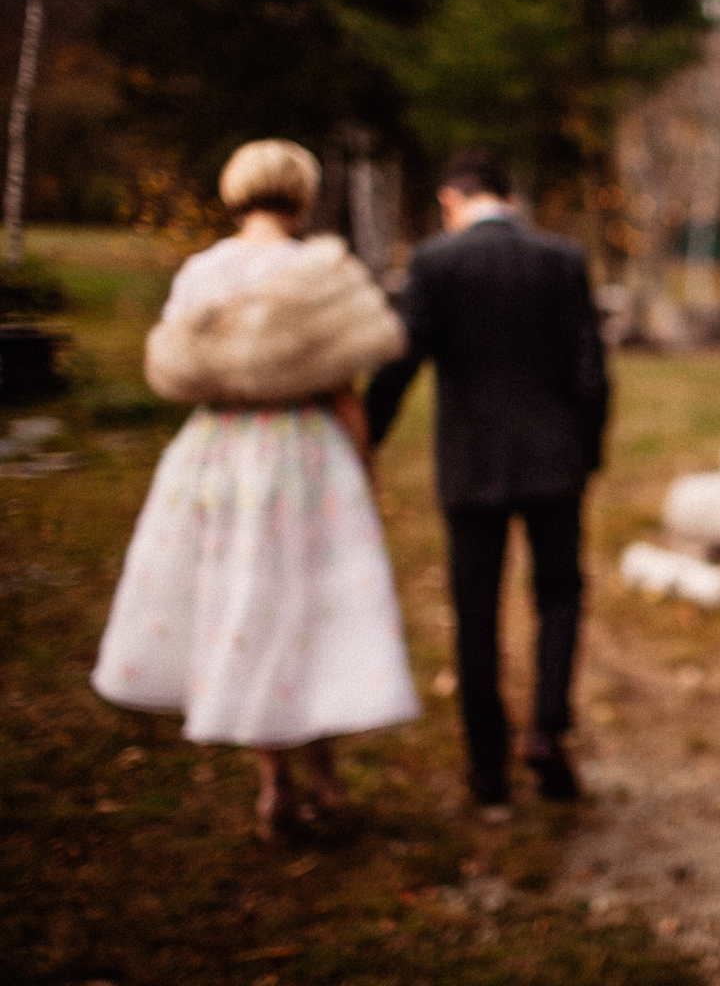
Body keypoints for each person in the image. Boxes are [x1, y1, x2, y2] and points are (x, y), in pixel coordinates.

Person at [93, 139, 420, 842]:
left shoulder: (201, 272)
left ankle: (274, 782)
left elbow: (181, 366)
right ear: (300, 196)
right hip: (301, 454)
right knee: (309, 603)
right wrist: (364, 471)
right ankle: (322, 767)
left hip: (219, 453)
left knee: (244, 600)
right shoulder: (318, 274)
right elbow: (343, 392)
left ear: (236, 192)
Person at [365, 150, 609, 807]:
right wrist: (588, 454)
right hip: (555, 463)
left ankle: (487, 768)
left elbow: (399, 361)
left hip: (471, 465)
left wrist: (362, 436)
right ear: (511, 199)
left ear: (451, 199)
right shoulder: (562, 259)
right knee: (559, 595)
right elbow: (591, 368)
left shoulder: (435, 262)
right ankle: (548, 730)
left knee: (477, 614)